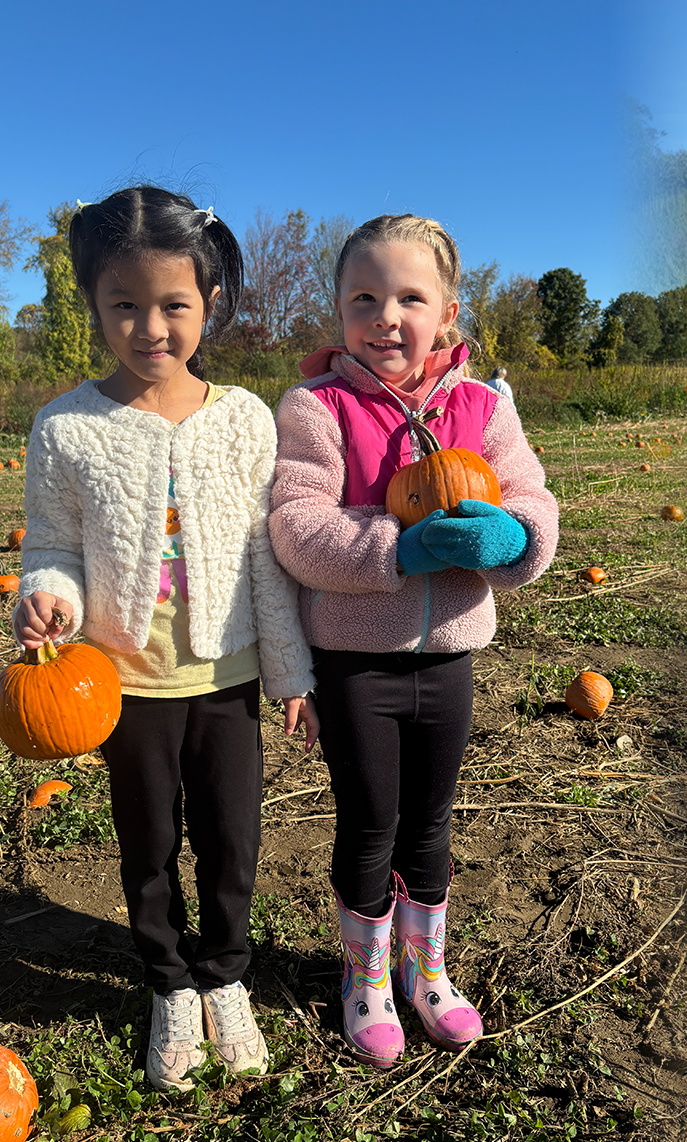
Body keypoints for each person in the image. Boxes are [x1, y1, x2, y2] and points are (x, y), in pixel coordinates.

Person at [14, 187, 317, 1092]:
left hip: (225, 681)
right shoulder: (66, 428)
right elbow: (54, 544)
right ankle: (168, 984)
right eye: (125, 306)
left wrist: (289, 669)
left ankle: (225, 977)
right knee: (146, 844)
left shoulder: (244, 420)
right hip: (125, 683)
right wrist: (49, 596)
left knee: (232, 839)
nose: (151, 328)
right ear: (95, 306)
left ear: (209, 301)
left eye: (174, 305)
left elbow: (267, 560)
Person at [269, 215, 558, 1068]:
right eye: (364, 297)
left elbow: (534, 498)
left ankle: (425, 971)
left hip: (452, 658)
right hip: (356, 662)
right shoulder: (317, 409)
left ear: (448, 312)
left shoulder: (483, 406)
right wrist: (399, 548)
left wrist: (517, 541)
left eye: (409, 297)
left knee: (431, 823)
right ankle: (364, 979)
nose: (385, 315)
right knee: (369, 825)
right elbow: (297, 526)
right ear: (337, 311)